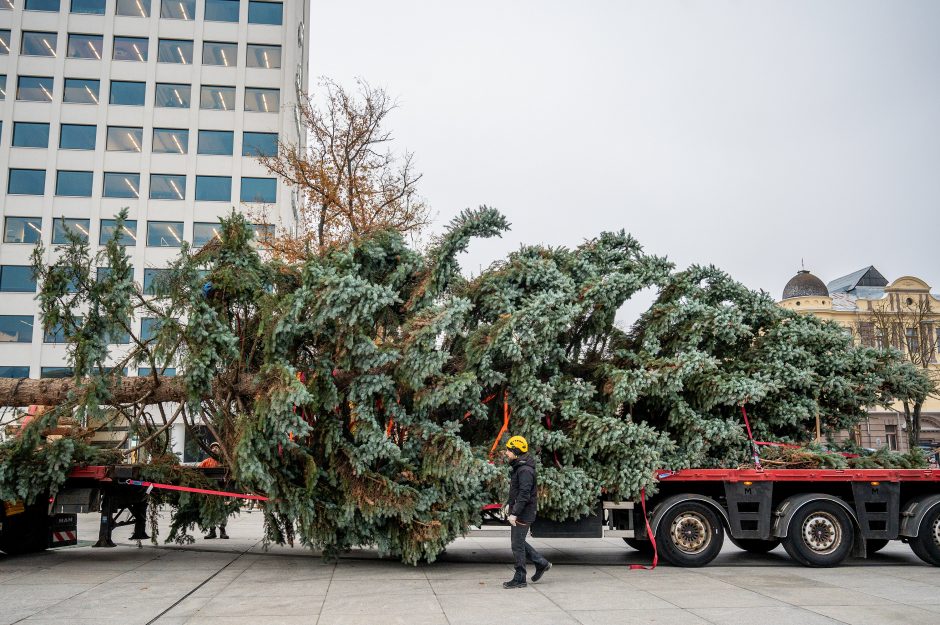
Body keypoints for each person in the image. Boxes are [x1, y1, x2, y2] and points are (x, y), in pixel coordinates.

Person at [502, 435, 551, 589]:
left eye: (509, 450)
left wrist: (515, 512)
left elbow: (524, 494)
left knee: (516, 545)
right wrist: (508, 505)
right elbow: (517, 492)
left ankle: (520, 578)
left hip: (523, 512)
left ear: (516, 451)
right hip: (520, 510)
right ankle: (541, 563)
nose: (506, 453)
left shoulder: (524, 470)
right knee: (519, 542)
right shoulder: (520, 467)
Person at [198, 442, 229, 540]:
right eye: (212, 448)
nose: (214, 449)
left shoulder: (224, 461)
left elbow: (229, 473)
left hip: (222, 490)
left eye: (216, 447)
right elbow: (198, 471)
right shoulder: (206, 462)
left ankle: (222, 531)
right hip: (210, 491)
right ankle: (212, 531)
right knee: (210, 509)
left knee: (223, 510)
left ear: (220, 450)